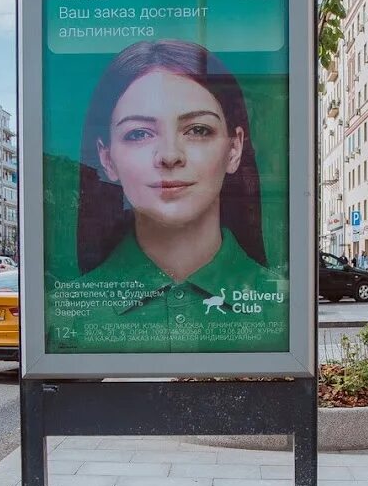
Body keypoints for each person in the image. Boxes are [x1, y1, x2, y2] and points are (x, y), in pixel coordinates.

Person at [64, 38, 283, 353]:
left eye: (197, 130)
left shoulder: (283, 306)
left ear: (234, 149)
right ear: (107, 158)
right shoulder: (69, 314)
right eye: (139, 133)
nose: (169, 156)